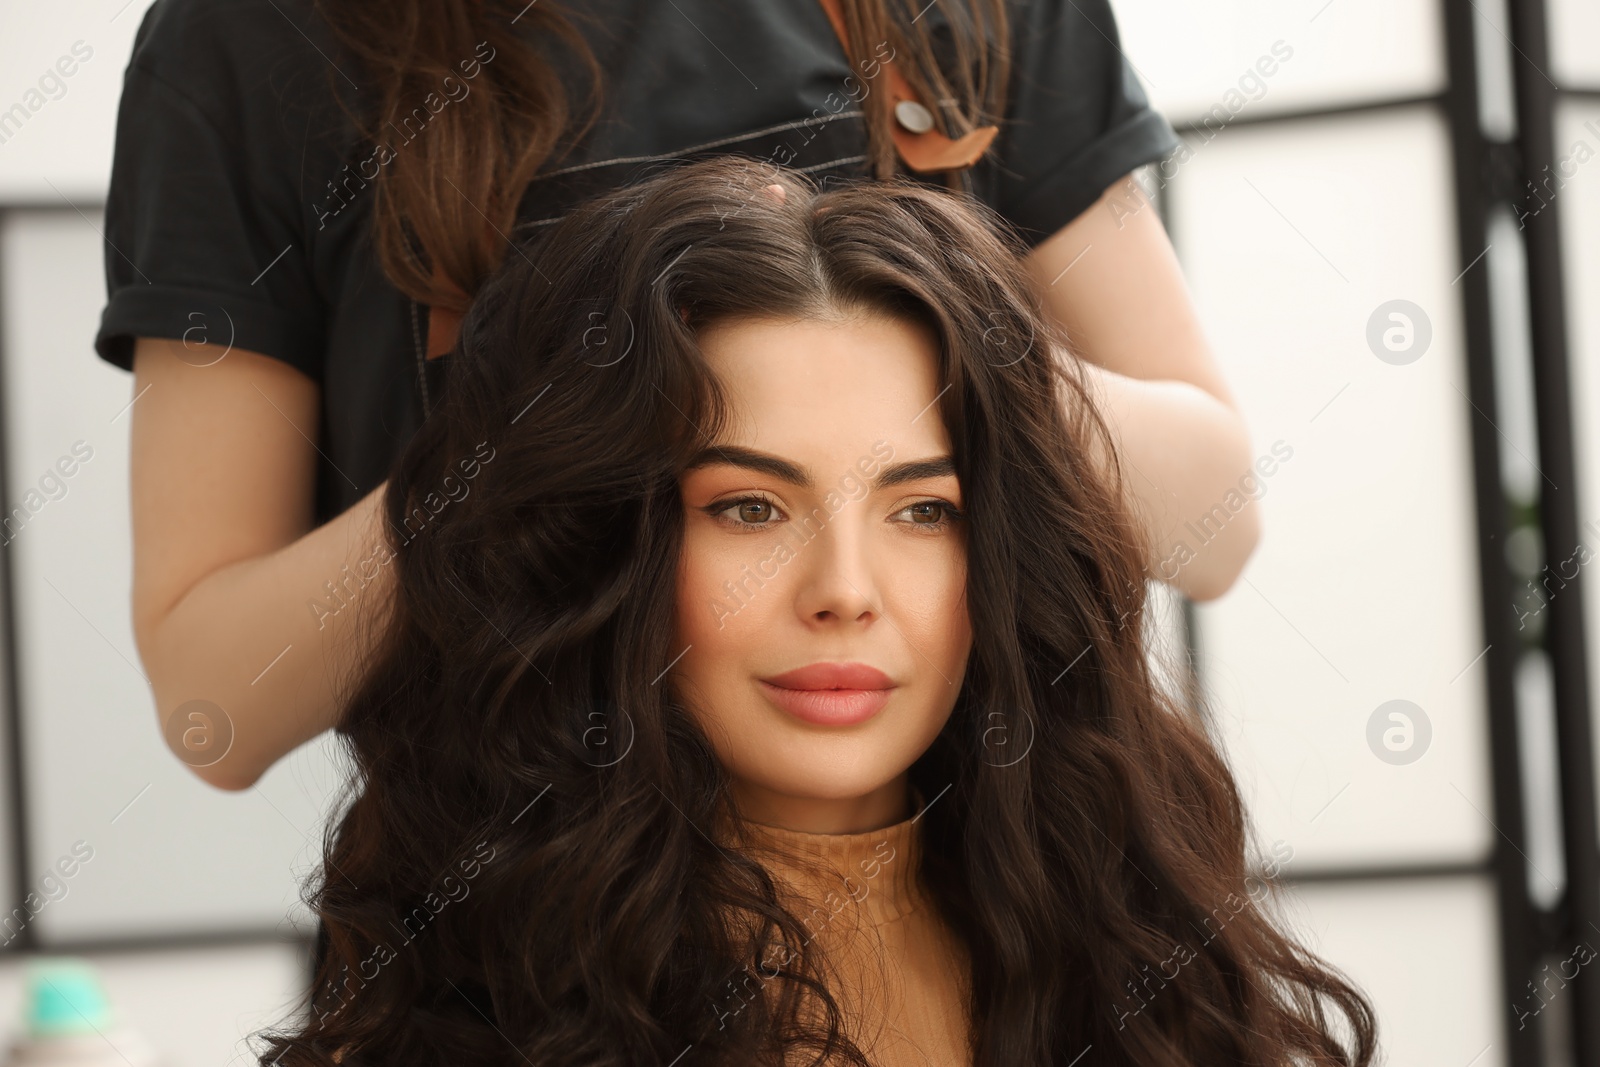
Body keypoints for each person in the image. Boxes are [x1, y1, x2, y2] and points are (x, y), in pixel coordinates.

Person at [250, 155, 1371, 1067]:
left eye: (923, 510)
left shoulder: (1137, 957)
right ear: (609, 547)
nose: (843, 588)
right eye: (748, 506)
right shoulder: (468, 1003)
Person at [95, 0, 1259, 794]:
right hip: (515, 981)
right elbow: (216, 704)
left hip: (992, 932)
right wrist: (538, 419)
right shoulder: (250, 37)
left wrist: (930, 317)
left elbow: (1214, 516)